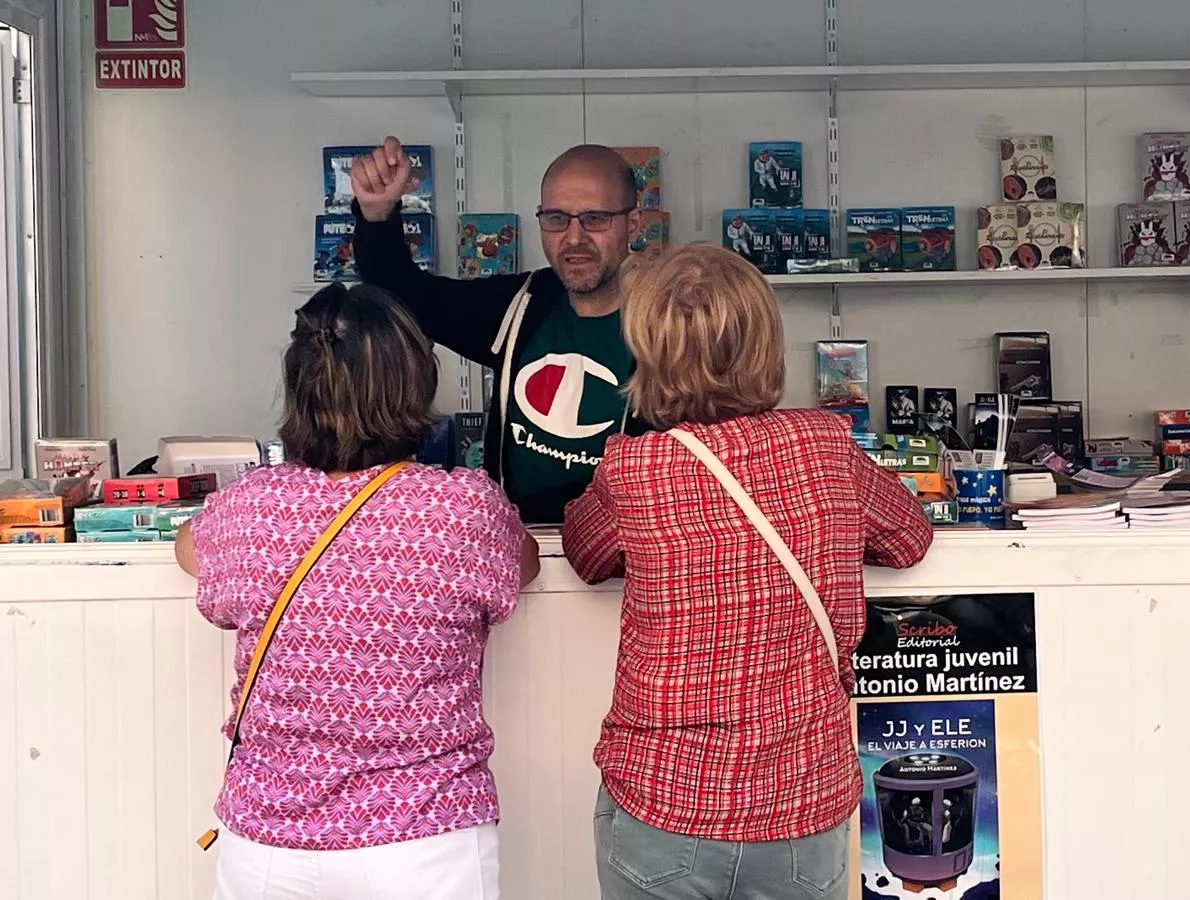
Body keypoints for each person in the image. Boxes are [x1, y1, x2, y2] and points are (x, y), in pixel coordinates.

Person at [562, 243, 935, 899]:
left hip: (664, 800)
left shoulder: (633, 467)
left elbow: (585, 553)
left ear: (648, 353)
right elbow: (909, 538)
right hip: (801, 807)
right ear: (766, 344)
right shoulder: (823, 444)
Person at [175, 283, 539, 900]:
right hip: (425, 836)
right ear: (414, 385)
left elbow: (189, 549)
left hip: (268, 841)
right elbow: (523, 563)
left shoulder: (249, 508)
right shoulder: (462, 509)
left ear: (299, 390)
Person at [350, 136, 648, 524]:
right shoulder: (520, 304)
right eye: (556, 218)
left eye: (595, 218)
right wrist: (377, 216)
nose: (575, 238)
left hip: (631, 550)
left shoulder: (673, 324)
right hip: (520, 545)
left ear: (634, 224)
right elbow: (406, 297)